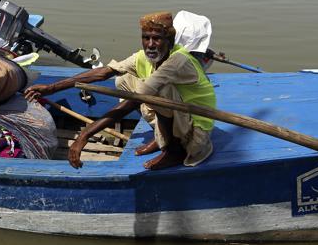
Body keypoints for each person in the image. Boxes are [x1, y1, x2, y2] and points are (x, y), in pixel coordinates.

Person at [24, 12, 217, 170]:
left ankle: (174, 151)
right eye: (146, 38)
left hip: (196, 131)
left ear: (170, 40)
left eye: (157, 39)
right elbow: (103, 73)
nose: (150, 44)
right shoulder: (144, 57)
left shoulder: (177, 61)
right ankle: (163, 138)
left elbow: (132, 101)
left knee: (158, 91)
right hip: (179, 118)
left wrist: (84, 136)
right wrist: (51, 88)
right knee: (123, 79)